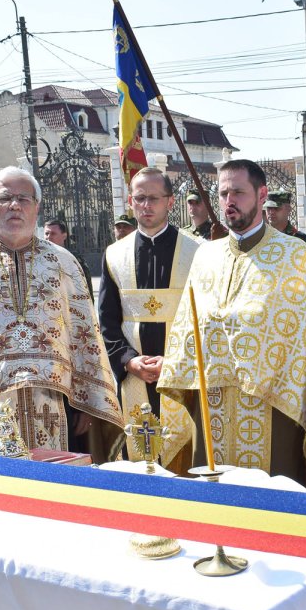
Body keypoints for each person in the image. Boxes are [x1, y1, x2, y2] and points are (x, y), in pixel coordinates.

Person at [160, 160, 306, 491]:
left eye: (238, 192)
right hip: (210, 404)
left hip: (272, 406)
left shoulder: (293, 254)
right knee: (213, 500)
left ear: (261, 195)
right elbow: (187, 326)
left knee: (272, 504)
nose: (229, 201)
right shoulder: (205, 256)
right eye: (223, 193)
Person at [0, 166, 123, 459]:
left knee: (59, 491)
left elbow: (85, 338)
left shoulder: (64, 264)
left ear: (37, 207)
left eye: (23, 198)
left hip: (60, 401)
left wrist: (88, 402)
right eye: (4, 198)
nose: (14, 205)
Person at [99, 168, 201, 471]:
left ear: (170, 202)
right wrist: (129, 361)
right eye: (139, 198)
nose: (146, 205)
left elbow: (206, 319)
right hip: (135, 375)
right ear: (131, 202)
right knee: (142, 459)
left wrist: (173, 362)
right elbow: (107, 319)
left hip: (183, 373)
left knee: (186, 462)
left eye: (153, 198)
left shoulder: (198, 253)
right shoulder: (114, 255)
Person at [43, 217, 94, 293]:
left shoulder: (74, 258)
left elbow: (86, 285)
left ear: (64, 236)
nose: (48, 237)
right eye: (46, 233)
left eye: (53, 233)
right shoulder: (40, 258)